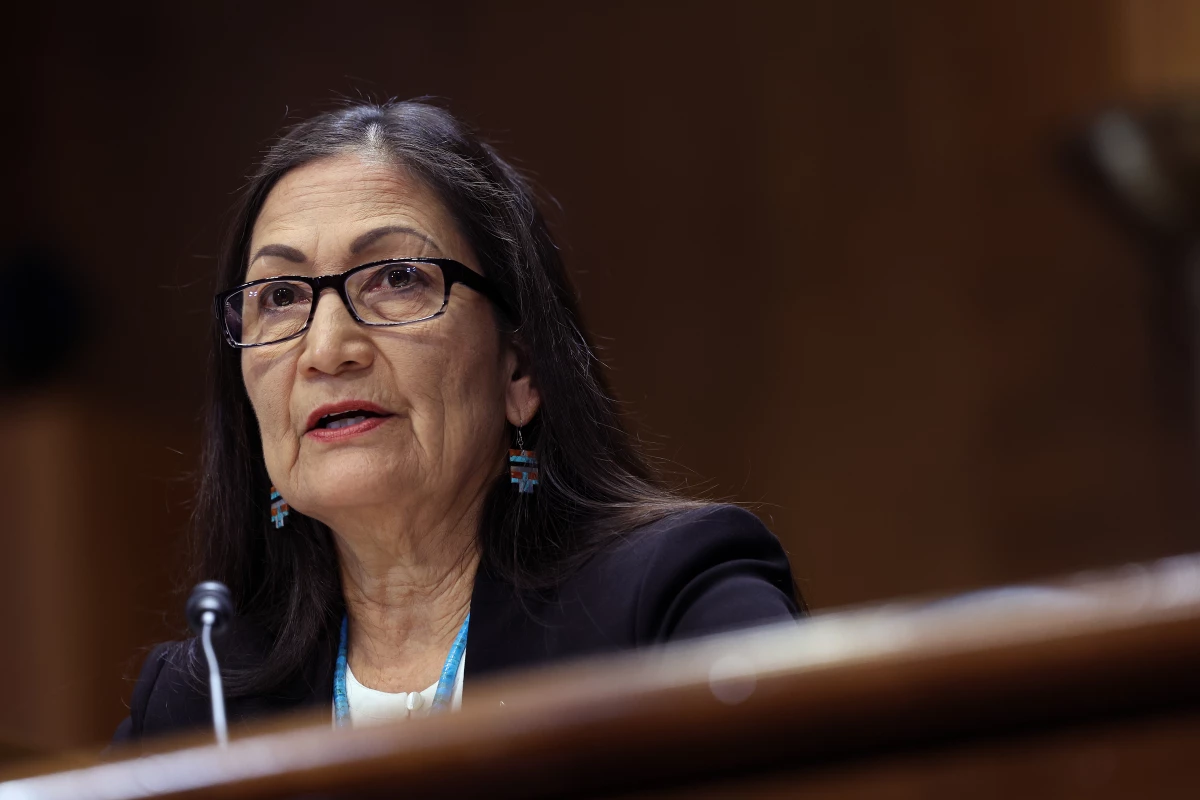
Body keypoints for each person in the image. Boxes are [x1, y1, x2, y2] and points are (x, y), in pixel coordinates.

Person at [112, 100, 802, 741]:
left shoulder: (671, 600)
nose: (326, 349)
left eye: (397, 278)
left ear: (520, 372)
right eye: (281, 296)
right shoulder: (196, 701)